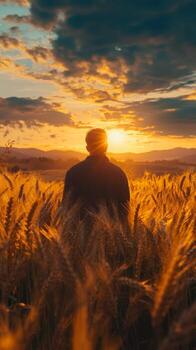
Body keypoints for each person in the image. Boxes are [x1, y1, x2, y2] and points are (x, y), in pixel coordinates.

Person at [62, 128, 130, 222]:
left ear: (87, 148)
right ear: (106, 146)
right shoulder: (119, 174)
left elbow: (66, 208)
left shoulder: (73, 172)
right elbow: (125, 211)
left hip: (80, 234)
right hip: (112, 235)